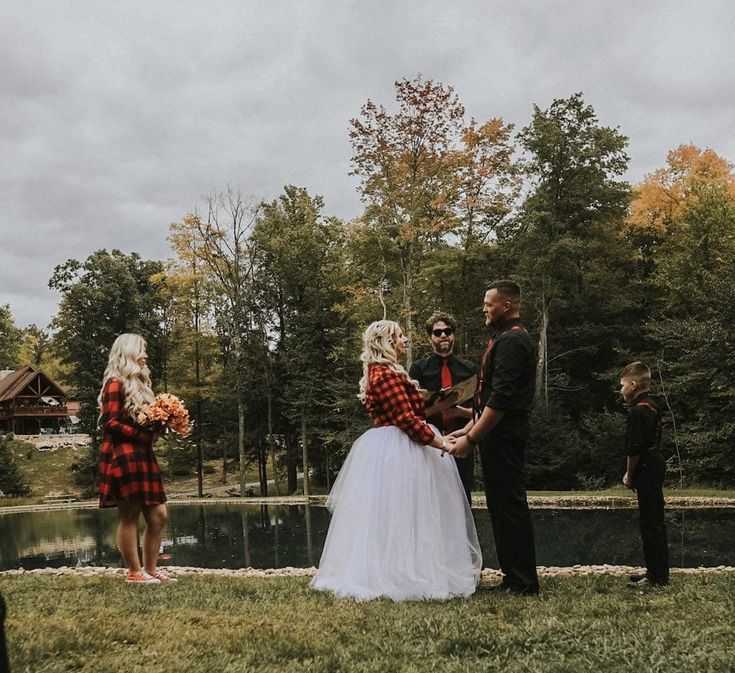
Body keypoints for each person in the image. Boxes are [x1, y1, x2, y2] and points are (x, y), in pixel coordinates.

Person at [312, 320, 481, 601]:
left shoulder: (386, 372)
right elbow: (406, 421)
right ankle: (398, 574)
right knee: (401, 512)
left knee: (408, 513)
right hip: (399, 448)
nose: (405, 340)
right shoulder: (385, 376)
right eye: (401, 336)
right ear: (387, 341)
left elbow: (414, 413)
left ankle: (409, 567)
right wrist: (442, 443)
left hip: (399, 444)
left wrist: (439, 404)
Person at [448, 280, 539, 595]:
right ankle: (513, 578)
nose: (484, 309)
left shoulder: (513, 341)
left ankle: (523, 582)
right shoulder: (505, 338)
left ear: (506, 306)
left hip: (505, 435)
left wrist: (471, 439)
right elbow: (492, 401)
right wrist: (468, 425)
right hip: (497, 433)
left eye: (488, 304)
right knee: (501, 506)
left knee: (509, 505)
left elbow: (501, 400)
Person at [98, 333, 174, 584]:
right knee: (129, 513)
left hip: (143, 455)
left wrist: (162, 424)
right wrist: (141, 436)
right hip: (123, 455)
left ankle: (150, 570)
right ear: (128, 353)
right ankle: (134, 572)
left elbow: (145, 421)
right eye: (141, 351)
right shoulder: (115, 383)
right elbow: (110, 423)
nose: (145, 356)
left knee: (158, 514)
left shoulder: (141, 385)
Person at [409, 311, 478, 503]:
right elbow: (410, 412)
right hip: (430, 443)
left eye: (447, 331)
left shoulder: (470, 369)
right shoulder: (418, 369)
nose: (443, 335)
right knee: (428, 500)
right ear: (429, 337)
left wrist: (459, 411)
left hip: (462, 441)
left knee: (463, 499)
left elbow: (482, 409)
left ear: (453, 334)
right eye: (437, 332)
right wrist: (438, 406)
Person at [620, 361, 669, 587]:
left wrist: (629, 474)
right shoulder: (653, 406)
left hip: (647, 465)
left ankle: (656, 577)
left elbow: (634, 448)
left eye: (622, 385)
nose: (621, 390)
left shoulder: (638, 411)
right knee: (653, 518)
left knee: (650, 521)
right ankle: (655, 571)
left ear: (633, 384)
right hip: (656, 462)